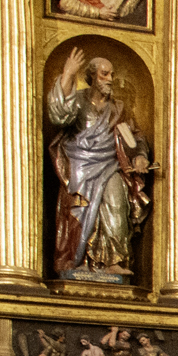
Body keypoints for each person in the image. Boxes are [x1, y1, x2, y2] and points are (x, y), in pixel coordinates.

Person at [48, 48, 151, 277]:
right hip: (79, 168)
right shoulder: (78, 101)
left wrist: (140, 155)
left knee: (117, 203)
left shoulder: (118, 108)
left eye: (111, 74)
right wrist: (68, 75)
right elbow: (59, 116)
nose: (110, 79)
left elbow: (134, 137)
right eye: (104, 74)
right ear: (92, 76)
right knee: (81, 211)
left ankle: (114, 259)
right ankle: (78, 260)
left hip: (110, 165)